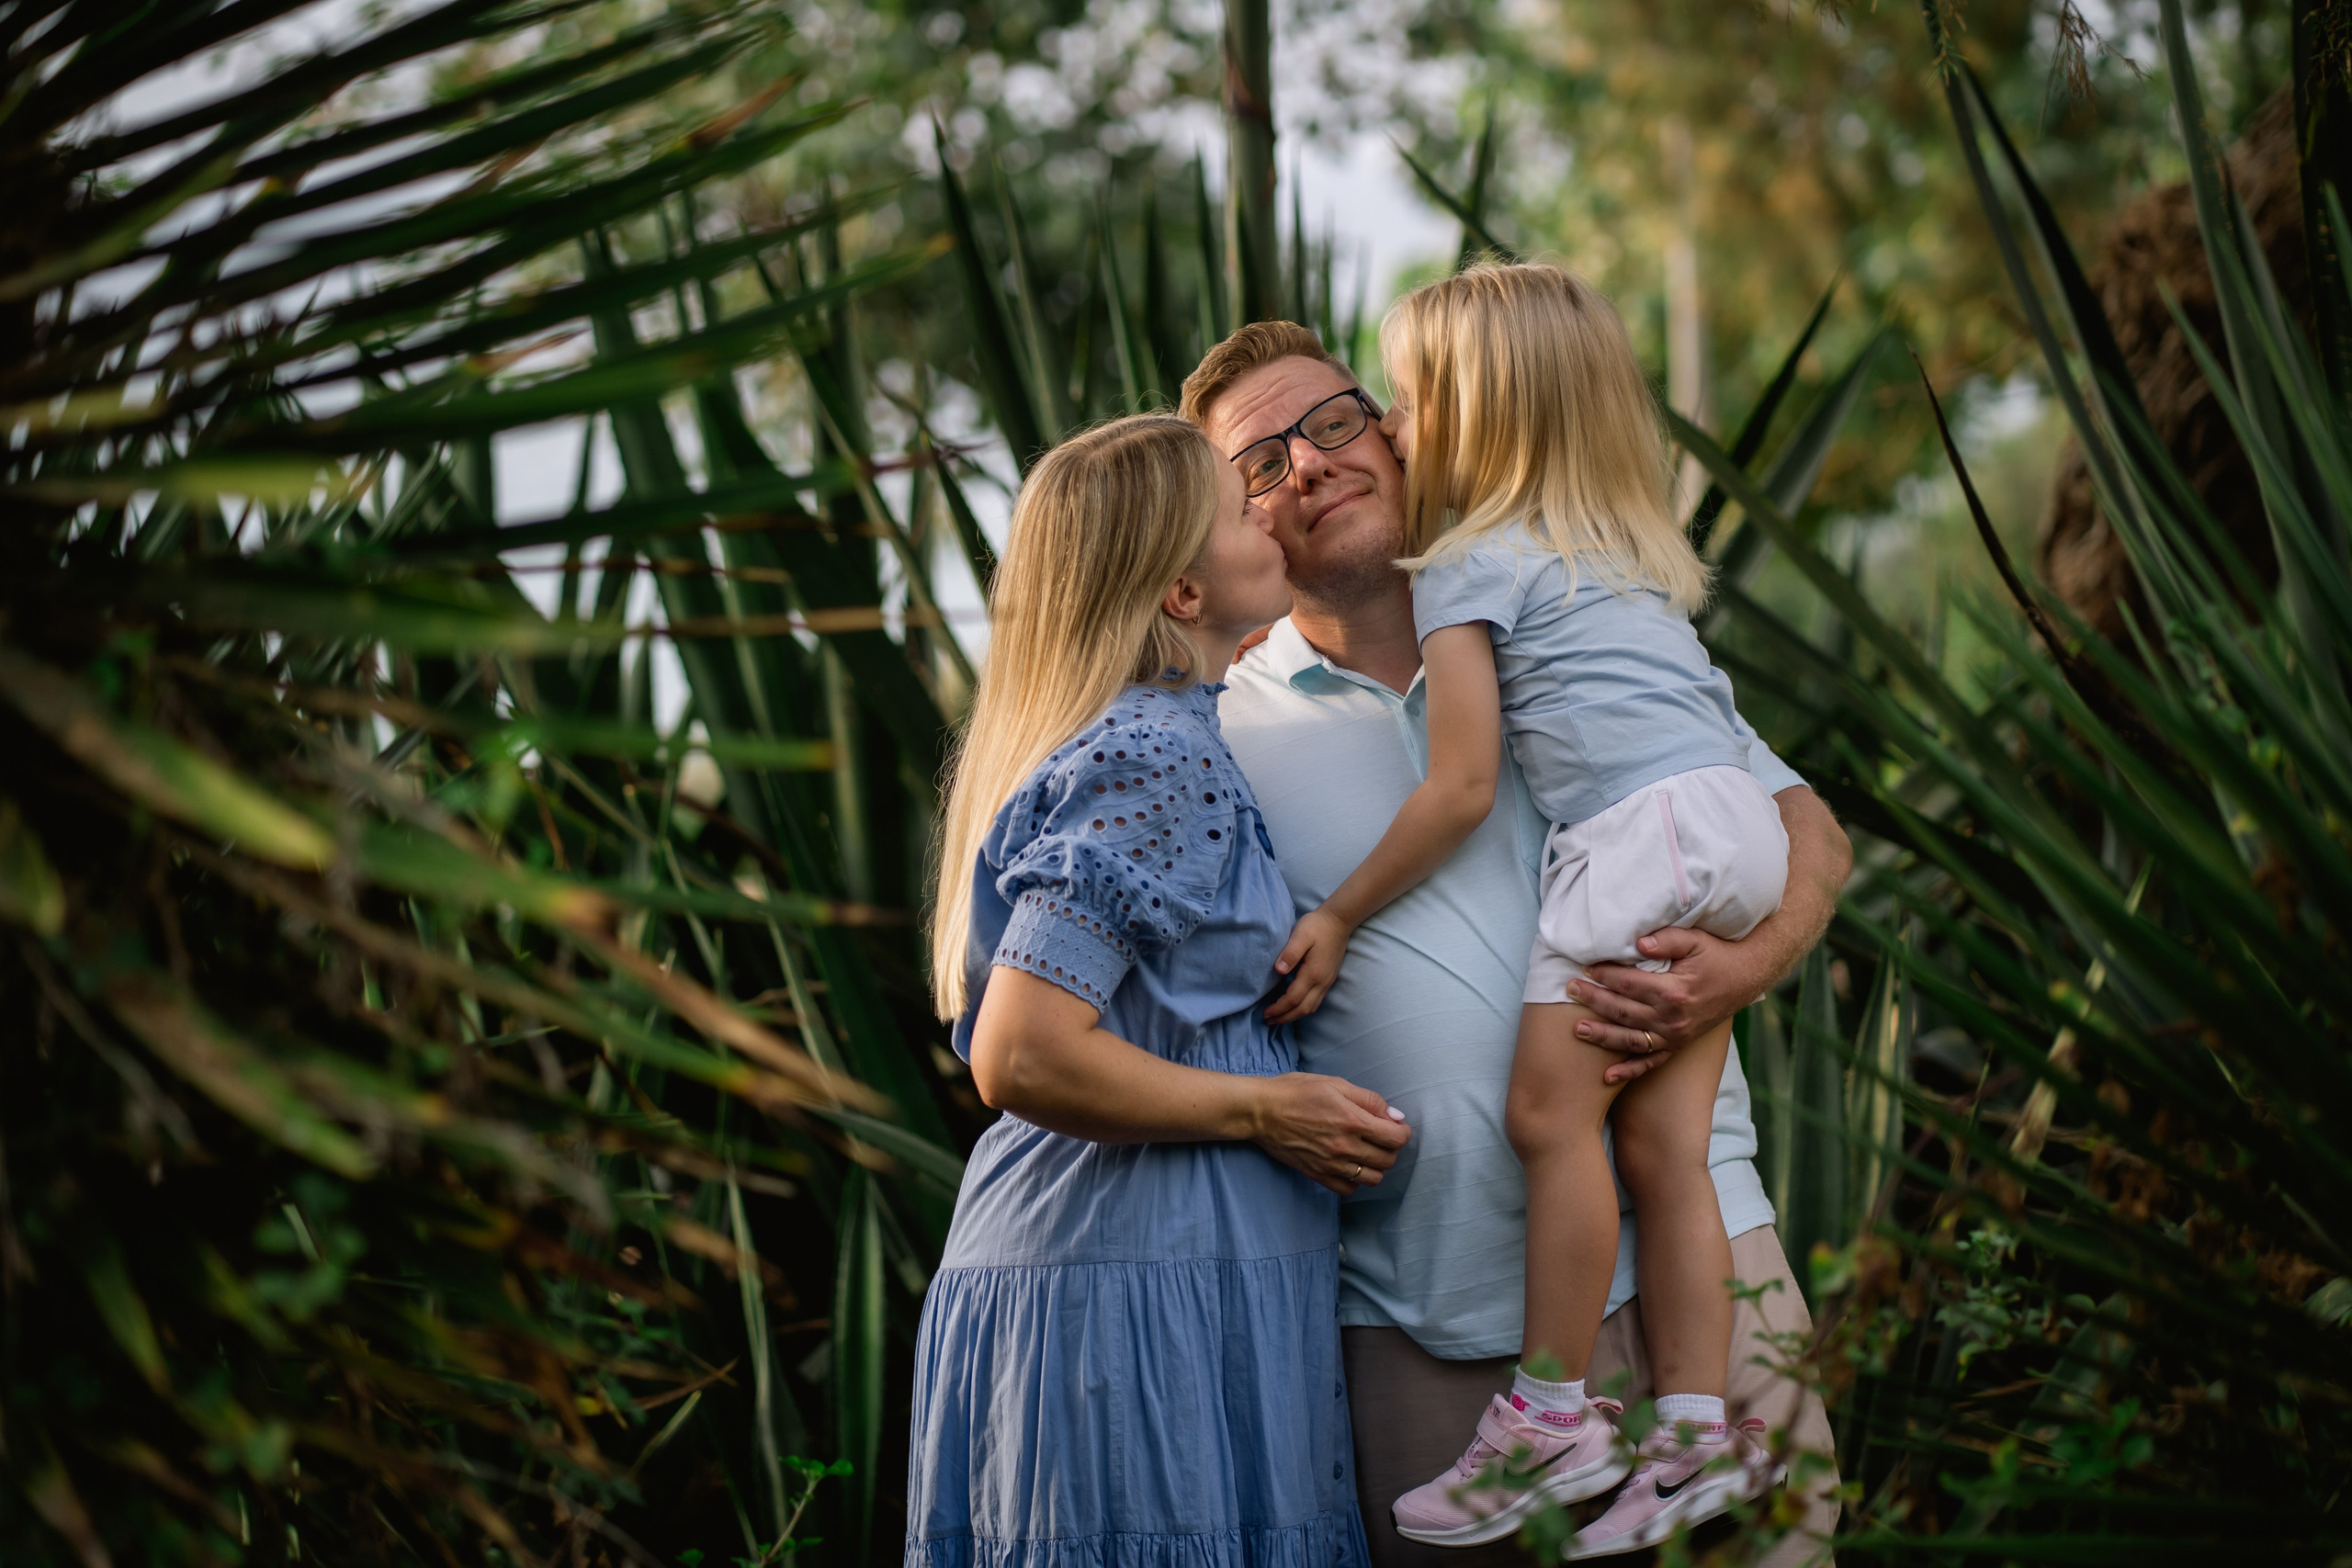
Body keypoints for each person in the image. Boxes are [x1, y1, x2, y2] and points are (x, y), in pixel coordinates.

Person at [1188, 321, 1849, 1567]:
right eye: (1259, 465)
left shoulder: (1569, 610)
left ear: (1395, 429)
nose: (1310, 463)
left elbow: (1801, 826)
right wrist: (1258, 1112)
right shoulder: (1217, 728)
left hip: (1701, 1270)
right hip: (1427, 1319)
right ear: (1229, 520)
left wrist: (1745, 966)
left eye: (1331, 422)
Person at [905, 413, 1403, 1568]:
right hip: (1129, 1292)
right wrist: (1266, 1108)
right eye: (1238, 509)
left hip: (1134, 1273)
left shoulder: (1146, 737)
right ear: (1183, 593)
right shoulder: (1152, 755)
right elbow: (1021, 1052)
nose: (1270, 510)